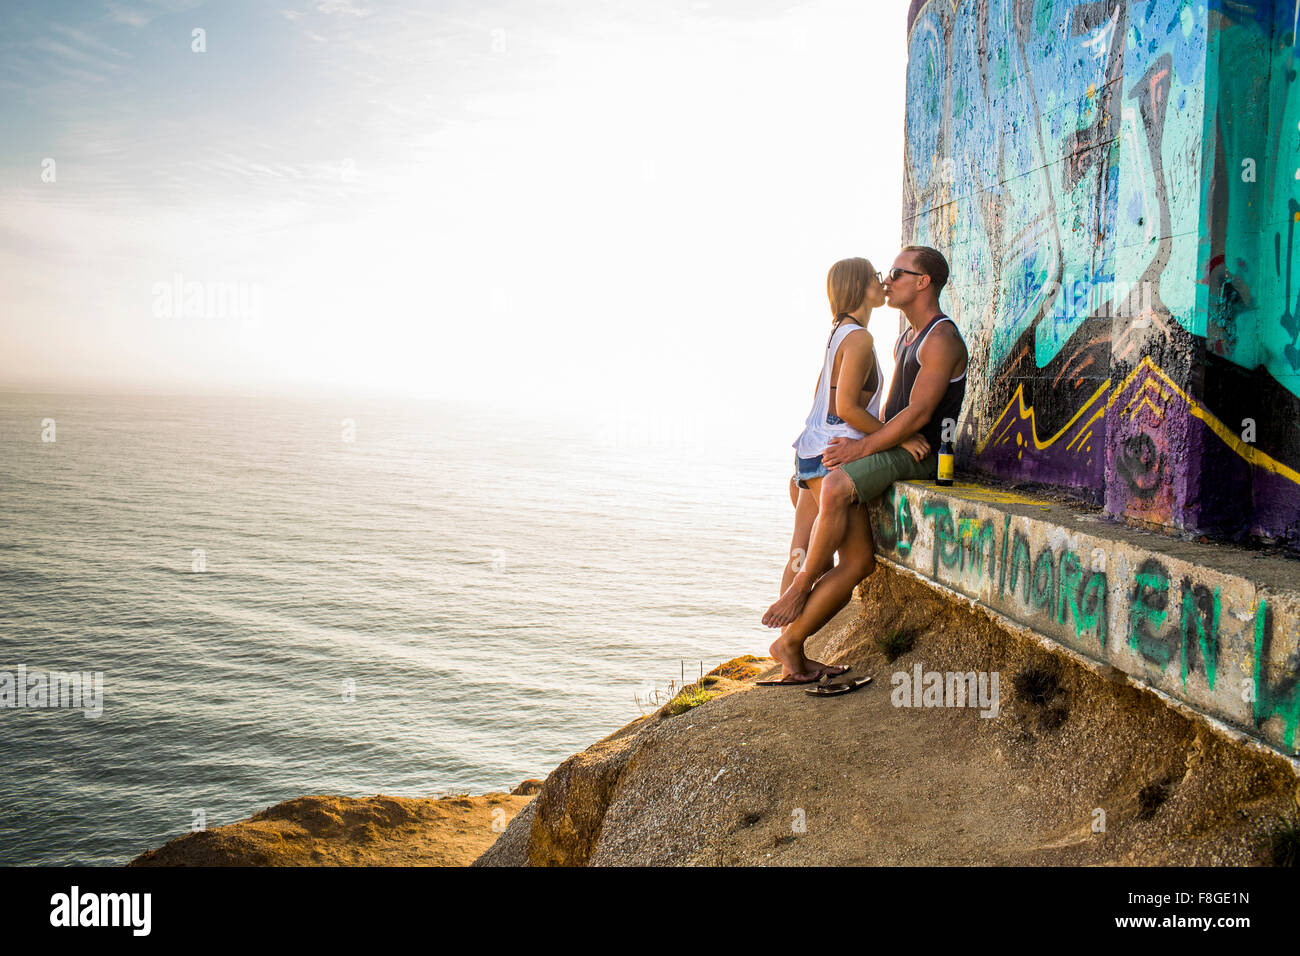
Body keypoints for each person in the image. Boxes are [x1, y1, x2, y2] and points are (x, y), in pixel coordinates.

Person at [763, 245, 967, 681]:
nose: (888, 280)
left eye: (896, 272)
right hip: (875, 444)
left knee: (824, 514)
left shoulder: (941, 337)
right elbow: (857, 403)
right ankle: (790, 644)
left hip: (923, 452)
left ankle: (799, 597)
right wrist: (861, 436)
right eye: (883, 274)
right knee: (844, 551)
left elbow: (918, 415)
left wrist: (861, 445)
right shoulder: (901, 337)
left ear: (923, 281)